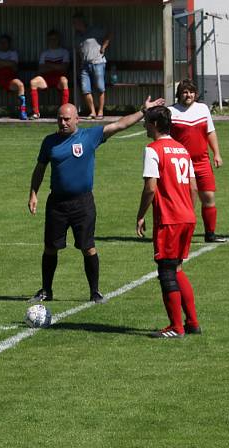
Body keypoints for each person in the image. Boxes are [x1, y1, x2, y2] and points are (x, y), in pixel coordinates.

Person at [28, 97, 162, 304]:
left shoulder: (90, 136)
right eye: (59, 119)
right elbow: (39, 169)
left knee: (88, 247)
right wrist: (33, 193)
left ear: (77, 119)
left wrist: (143, 111)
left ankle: (95, 291)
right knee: (50, 247)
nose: (63, 123)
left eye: (66, 119)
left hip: (82, 203)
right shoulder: (49, 142)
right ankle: (46, 290)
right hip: (57, 203)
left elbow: (119, 124)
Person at [135, 106, 200, 339]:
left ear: (153, 125)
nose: (143, 125)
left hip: (169, 219)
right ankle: (192, 322)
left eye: (145, 122)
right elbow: (193, 186)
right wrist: (188, 210)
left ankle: (176, 326)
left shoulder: (153, 149)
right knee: (177, 268)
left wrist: (141, 214)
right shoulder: (182, 149)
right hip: (187, 216)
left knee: (166, 272)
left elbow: (150, 187)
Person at [169, 79, 226, 243]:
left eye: (191, 92)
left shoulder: (202, 109)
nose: (189, 95)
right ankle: (181, 233)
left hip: (202, 162)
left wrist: (217, 154)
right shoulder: (171, 111)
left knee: (208, 197)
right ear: (179, 94)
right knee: (187, 201)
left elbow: (210, 132)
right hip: (181, 164)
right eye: (185, 92)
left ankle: (210, 234)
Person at [73, 13, 111, 120]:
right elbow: (78, 51)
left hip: (98, 62)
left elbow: (109, 34)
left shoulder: (94, 30)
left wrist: (103, 47)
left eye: (75, 23)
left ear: (81, 22)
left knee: (100, 88)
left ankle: (100, 111)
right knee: (85, 89)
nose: (74, 25)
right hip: (84, 65)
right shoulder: (77, 35)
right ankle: (92, 111)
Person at [28, 30, 70, 120]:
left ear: (59, 40)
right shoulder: (45, 53)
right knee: (33, 82)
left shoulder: (64, 52)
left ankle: (63, 113)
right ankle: (36, 112)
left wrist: (49, 65)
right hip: (46, 78)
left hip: (59, 78)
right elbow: (41, 69)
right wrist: (56, 66)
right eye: (50, 39)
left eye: (55, 39)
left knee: (64, 81)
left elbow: (64, 68)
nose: (53, 41)